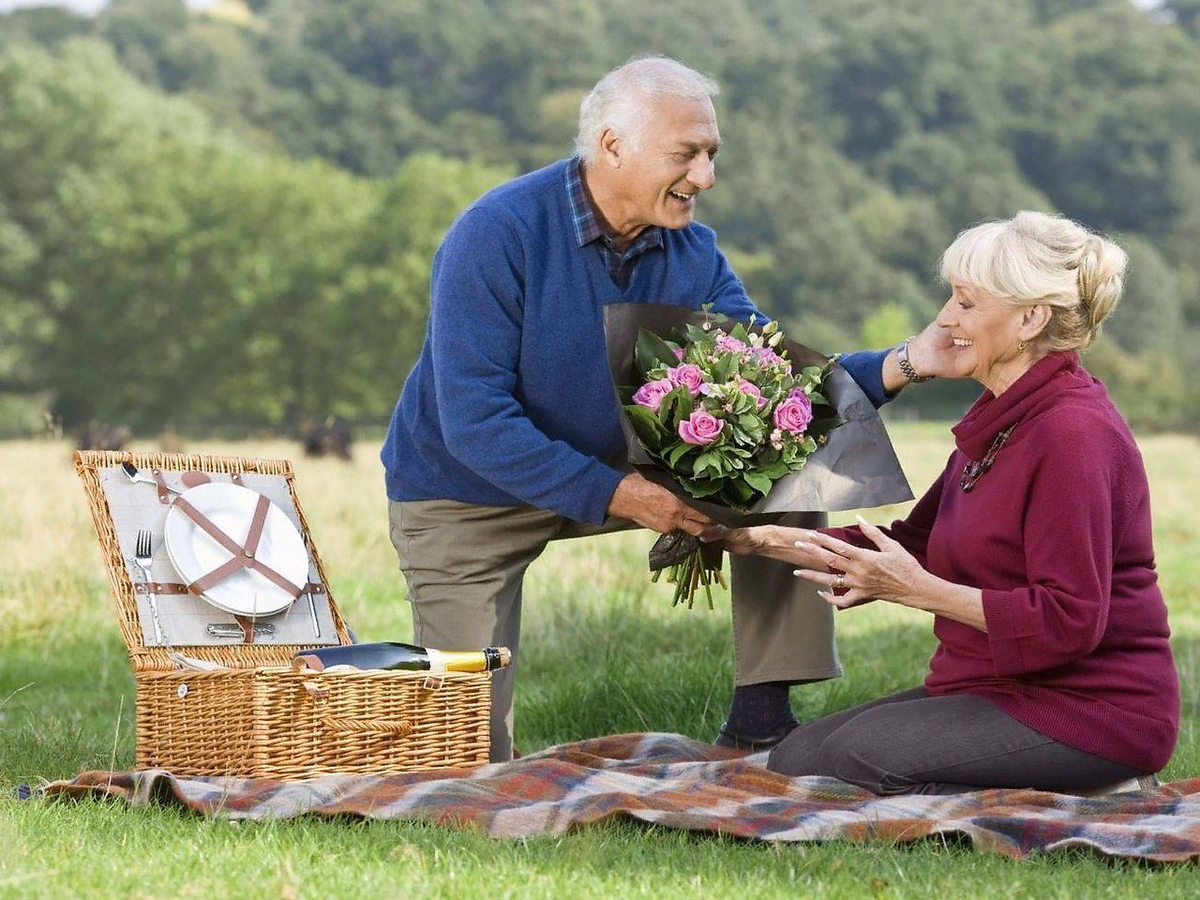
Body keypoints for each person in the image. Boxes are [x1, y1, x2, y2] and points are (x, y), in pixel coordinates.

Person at [380, 55, 938, 762]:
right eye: (687, 155)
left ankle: (760, 722)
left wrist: (910, 361)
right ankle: (471, 746)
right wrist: (626, 496)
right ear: (612, 145)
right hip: (465, 492)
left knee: (785, 456)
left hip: (618, 470)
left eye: (711, 154)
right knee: (467, 756)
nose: (705, 177)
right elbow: (474, 422)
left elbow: (775, 388)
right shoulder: (496, 234)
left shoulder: (693, 252)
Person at [720, 210, 1180, 795]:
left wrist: (913, 589)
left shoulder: (1073, 435)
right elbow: (911, 545)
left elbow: (1069, 623)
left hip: (1091, 711)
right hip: (993, 686)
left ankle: (1086, 784)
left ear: (1030, 319)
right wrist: (754, 539)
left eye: (966, 302)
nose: (944, 317)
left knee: (853, 762)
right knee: (799, 757)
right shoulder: (1001, 417)